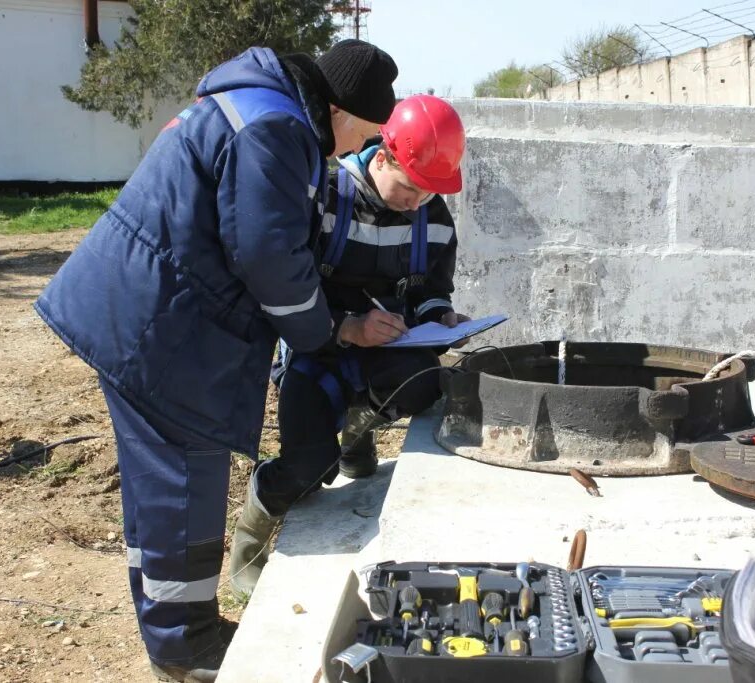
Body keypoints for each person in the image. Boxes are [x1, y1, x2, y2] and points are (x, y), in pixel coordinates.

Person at [33, 41, 398, 682]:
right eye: (357, 136)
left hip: (148, 315)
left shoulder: (255, 105)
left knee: (160, 489)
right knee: (183, 482)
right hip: (162, 329)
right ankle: (185, 644)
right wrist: (329, 330)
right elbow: (268, 257)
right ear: (338, 110)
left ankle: (177, 625)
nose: (345, 152)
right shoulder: (279, 128)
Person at [229, 95, 467, 597]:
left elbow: (428, 292)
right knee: (309, 468)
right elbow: (287, 286)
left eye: (427, 195)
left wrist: (441, 316)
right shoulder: (327, 196)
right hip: (317, 351)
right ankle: (250, 538)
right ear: (382, 157)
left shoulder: (434, 215)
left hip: (384, 355)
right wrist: (347, 326)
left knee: (427, 381)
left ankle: (357, 436)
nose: (414, 203)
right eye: (407, 189)